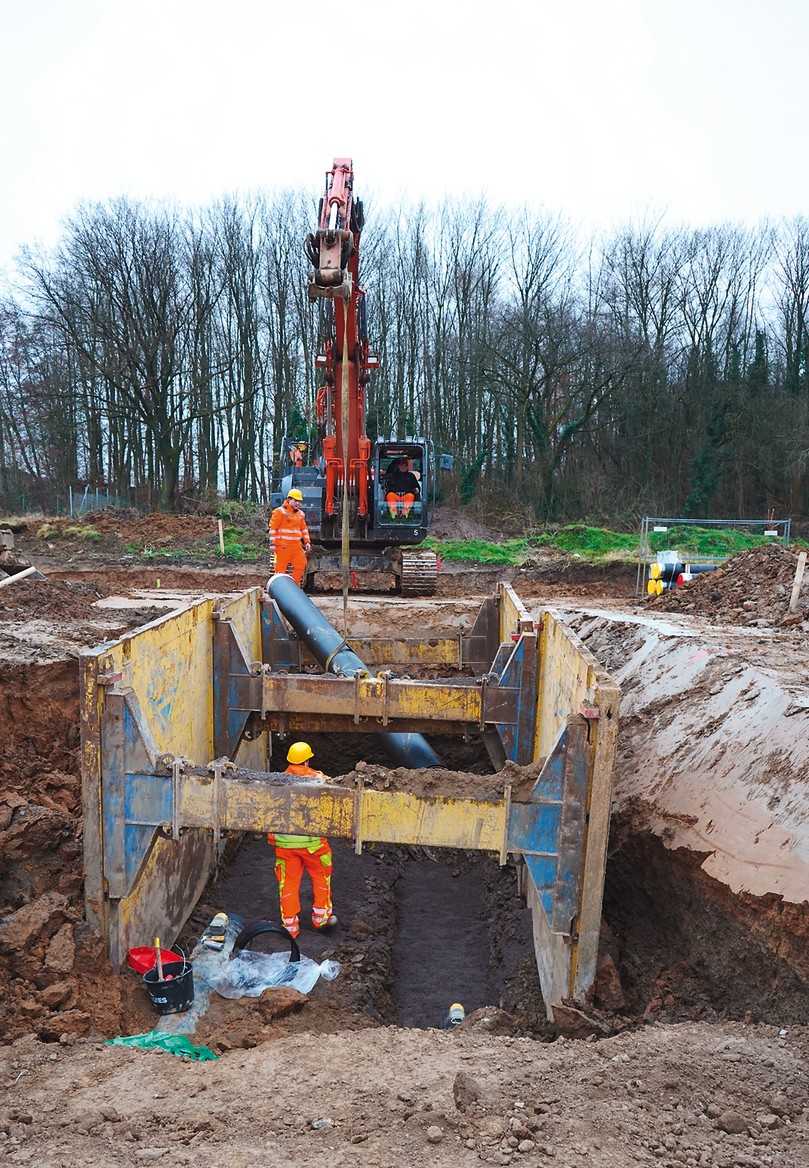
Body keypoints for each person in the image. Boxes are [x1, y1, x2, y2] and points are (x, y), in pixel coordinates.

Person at [266, 742, 336, 939]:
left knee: (287, 883)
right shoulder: (319, 780)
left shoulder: (276, 782)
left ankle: (290, 926)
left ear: (289, 760)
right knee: (321, 878)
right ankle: (321, 919)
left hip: (285, 847)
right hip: (314, 846)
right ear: (307, 760)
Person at [268, 488, 311, 586]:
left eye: (299, 501)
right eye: (295, 501)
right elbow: (273, 529)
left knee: (301, 564)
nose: (298, 503)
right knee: (280, 569)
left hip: (296, 546)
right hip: (282, 546)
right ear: (289, 500)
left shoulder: (301, 514)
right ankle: (280, 587)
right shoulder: (279, 512)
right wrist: (272, 544)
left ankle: (294, 586)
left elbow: (304, 529)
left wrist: (307, 542)